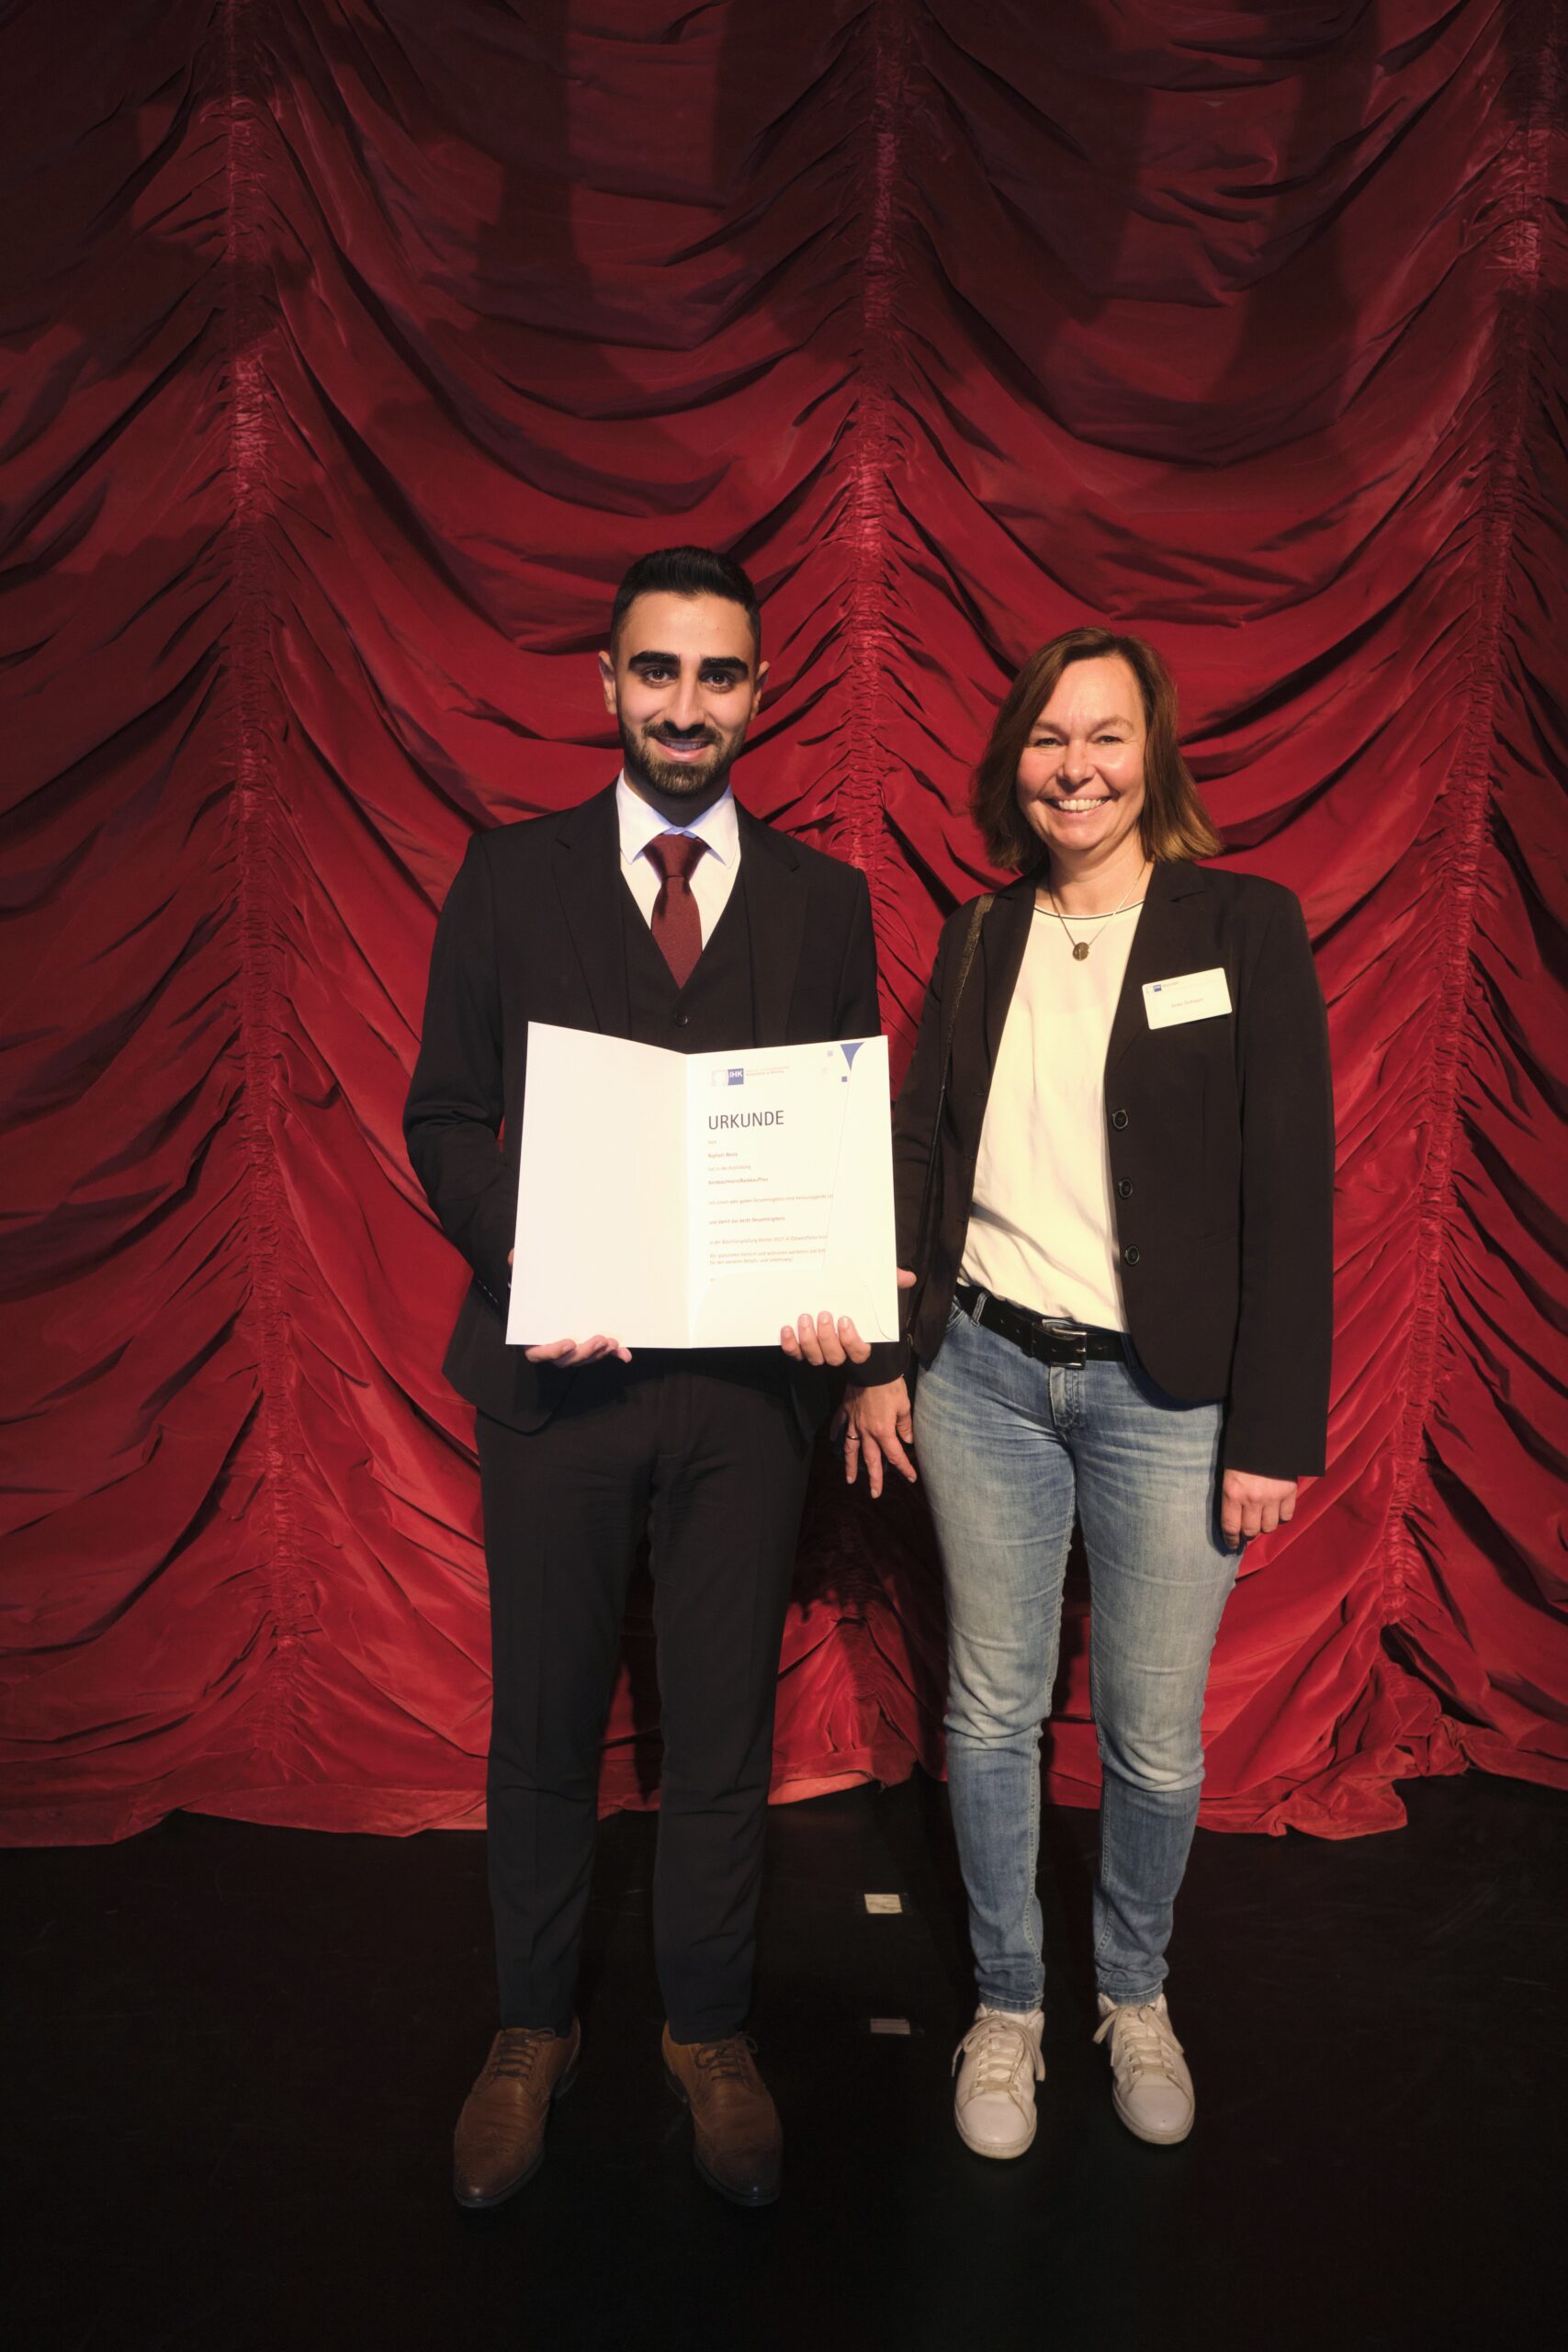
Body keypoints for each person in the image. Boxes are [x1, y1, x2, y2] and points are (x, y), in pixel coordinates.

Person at [405, 546, 885, 2211]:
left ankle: (708, 2031)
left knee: (723, 1732)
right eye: (659, 670)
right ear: (607, 684)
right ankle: (530, 2028)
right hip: (558, 1384)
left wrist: (838, 1305)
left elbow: (840, 1142)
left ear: (759, 693)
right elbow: (442, 1116)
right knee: (544, 1722)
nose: (688, 703)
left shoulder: (826, 900)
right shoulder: (507, 874)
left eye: (719, 674)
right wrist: (539, 1260)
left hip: (745, 1401)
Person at [841, 626, 1334, 2155]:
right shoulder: (981, 932)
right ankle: (1008, 2007)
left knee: (1155, 1736)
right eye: (1051, 739)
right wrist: (882, 1356)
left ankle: (1132, 1992)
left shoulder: (1242, 925)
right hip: (983, 1374)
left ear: (1153, 752)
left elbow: (1290, 1189)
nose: (1078, 768)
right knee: (991, 1707)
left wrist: (1272, 1431)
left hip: (1170, 1400)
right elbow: (918, 1151)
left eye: (1106, 736)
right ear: (1018, 764)